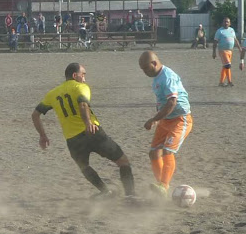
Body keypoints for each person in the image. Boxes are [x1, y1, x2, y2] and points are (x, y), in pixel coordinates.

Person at [32, 63, 135, 198]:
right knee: (122, 161)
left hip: (72, 139)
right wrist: (87, 123)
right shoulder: (81, 87)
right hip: (92, 132)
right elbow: (82, 104)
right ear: (75, 75)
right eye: (83, 74)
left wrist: (43, 136)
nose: (85, 79)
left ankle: (105, 191)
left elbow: (35, 115)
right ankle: (130, 195)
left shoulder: (53, 93)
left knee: (84, 167)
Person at [138, 50, 193, 197]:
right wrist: (159, 118)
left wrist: (154, 119)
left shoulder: (167, 76)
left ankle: (163, 185)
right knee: (154, 152)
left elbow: (172, 102)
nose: (144, 72)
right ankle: (161, 185)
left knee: (168, 151)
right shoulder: (157, 77)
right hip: (166, 119)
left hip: (181, 119)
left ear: (154, 63)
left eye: (146, 68)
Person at [213, 17, 241, 87]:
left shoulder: (232, 30)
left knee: (225, 66)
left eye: (227, 22)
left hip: (230, 51)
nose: (226, 23)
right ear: (222, 23)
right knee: (228, 65)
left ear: (230, 23)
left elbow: (235, 40)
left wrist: (239, 48)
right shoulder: (219, 31)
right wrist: (214, 52)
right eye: (225, 22)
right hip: (222, 50)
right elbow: (215, 42)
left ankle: (221, 82)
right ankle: (229, 81)